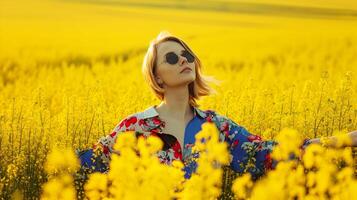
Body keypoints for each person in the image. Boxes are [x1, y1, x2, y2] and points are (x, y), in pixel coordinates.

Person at [78, 31, 357, 180]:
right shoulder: (135, 126)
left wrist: (343, 140)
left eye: (186, 54)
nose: (183, 60)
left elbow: (268, 154)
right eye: (172, 59)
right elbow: (89, 163)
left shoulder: (216, 126)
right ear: (157, 78)